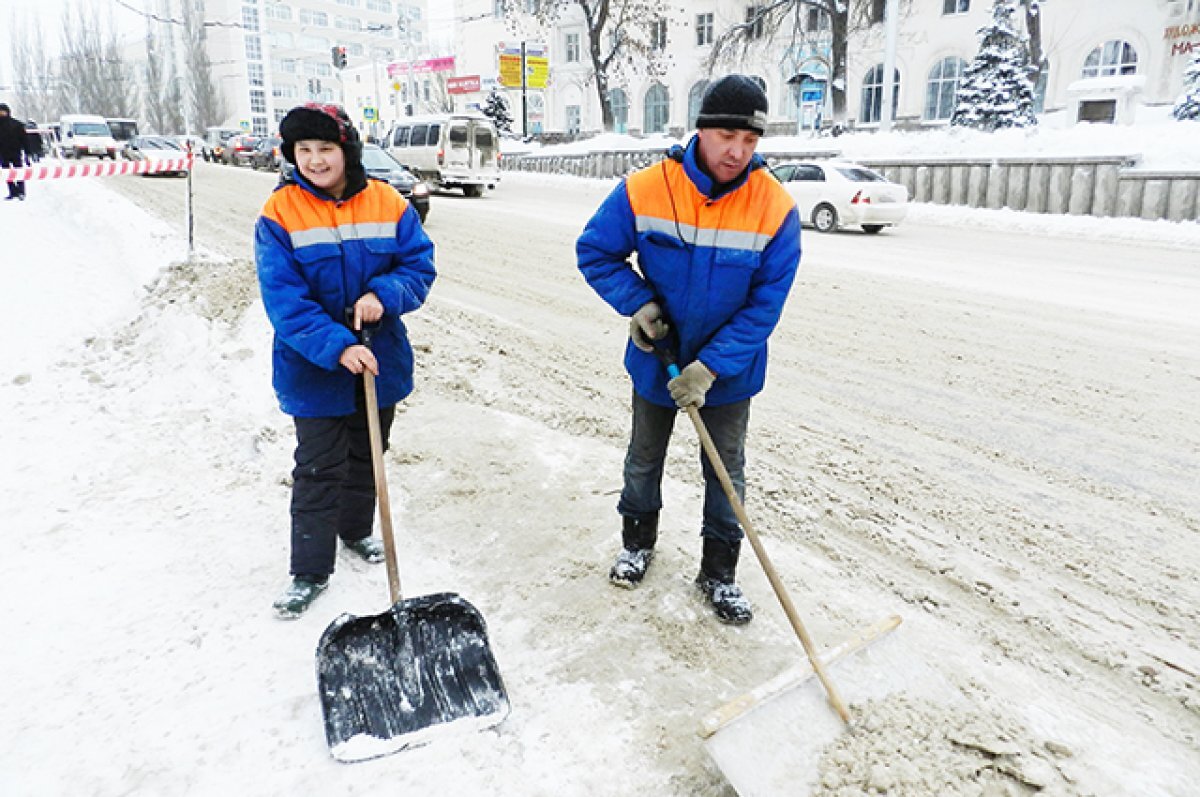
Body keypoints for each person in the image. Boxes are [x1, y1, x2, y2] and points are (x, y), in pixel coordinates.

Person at [576, 75, 802, 625]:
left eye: (750, 140)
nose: (737, 151)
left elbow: (763, 308)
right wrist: (641, 306)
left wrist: (711, 367)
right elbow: (595, 252)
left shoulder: (774, 208)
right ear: (700, 129)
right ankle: (637, 543)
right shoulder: (647, 188)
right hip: (658, 360)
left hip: (728, 376)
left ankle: (719, 574)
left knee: (726, 473)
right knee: (643, 460)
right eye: (727, 135)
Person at [255, 103, 436, 619]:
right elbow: (284, 300)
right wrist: (338, 345)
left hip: (380, 358)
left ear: (346, 151)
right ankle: (309, 569)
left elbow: (419, 265)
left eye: (325, 149)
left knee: (367, 456)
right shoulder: (280, 213)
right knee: (318, 467)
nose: (314, 160)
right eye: (303, 151)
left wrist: (385, 293)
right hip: (312, 365)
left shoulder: (386, 201)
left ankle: (355, 531)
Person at [0, 104, 28, 201]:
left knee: (19, 172)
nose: (2, 113)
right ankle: (12, 191)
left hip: (15, 152)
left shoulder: (17, 124)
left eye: (3, 111)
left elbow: (24, 139)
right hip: (3, 154)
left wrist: (27, 152)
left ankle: (21, 192)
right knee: (7, 174)